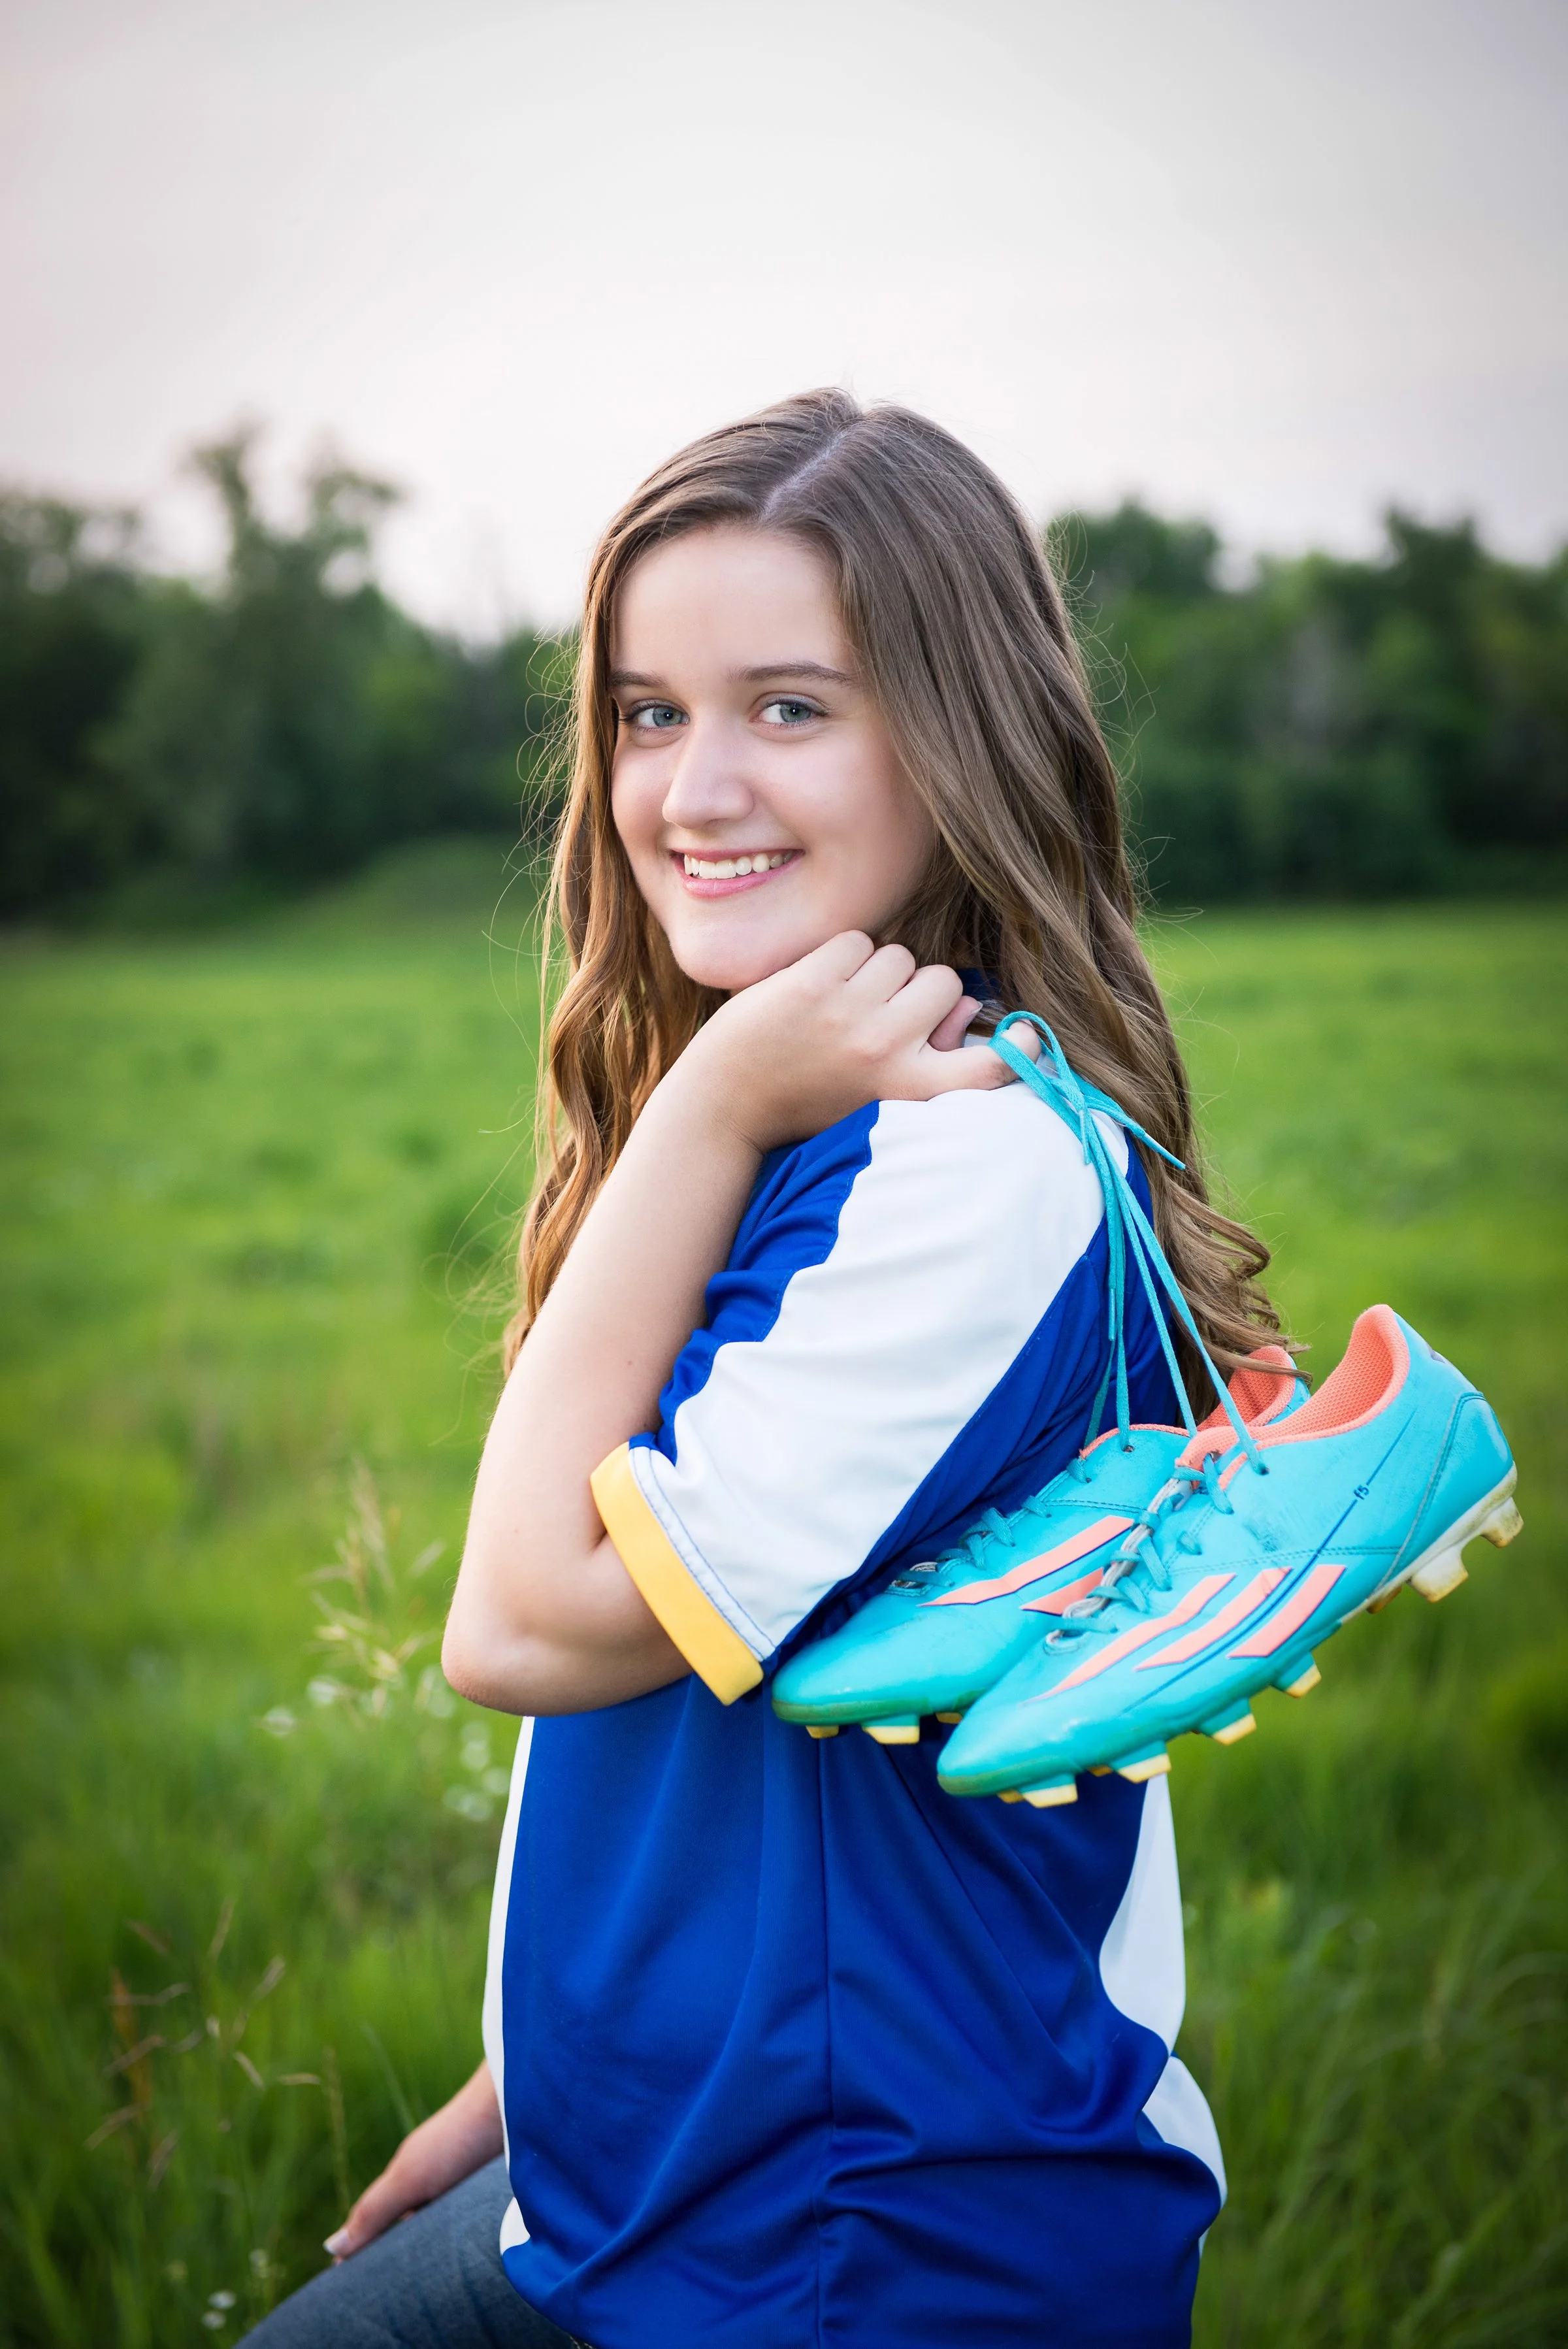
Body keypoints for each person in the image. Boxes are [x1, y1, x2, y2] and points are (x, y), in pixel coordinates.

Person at [247, 389, 1286, 2349]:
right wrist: (532, 2070)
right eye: (649, 713)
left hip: (859, 2257)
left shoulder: (954, 1162)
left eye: (788, 707)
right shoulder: (838, 1124)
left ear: (956, 738)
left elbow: (525, 1630)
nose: (690, 790)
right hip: (644, 2182)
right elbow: (728, 1755)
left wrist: (704, 1108)